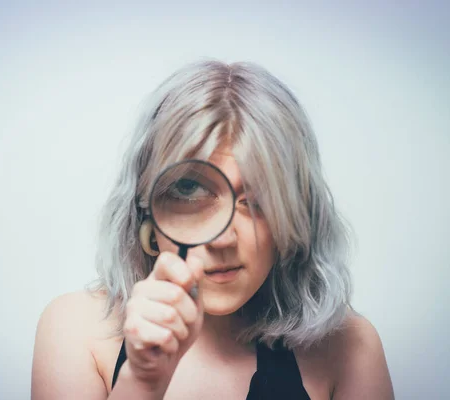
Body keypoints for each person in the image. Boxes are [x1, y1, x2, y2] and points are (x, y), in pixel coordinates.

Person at [31, 60, 394, 399]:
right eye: (189, 191)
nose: (223, 238)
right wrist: (140, 382)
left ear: (297, 219)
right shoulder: (76, 330)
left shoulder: (349, 347)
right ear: (146, 215)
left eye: (260, 200)